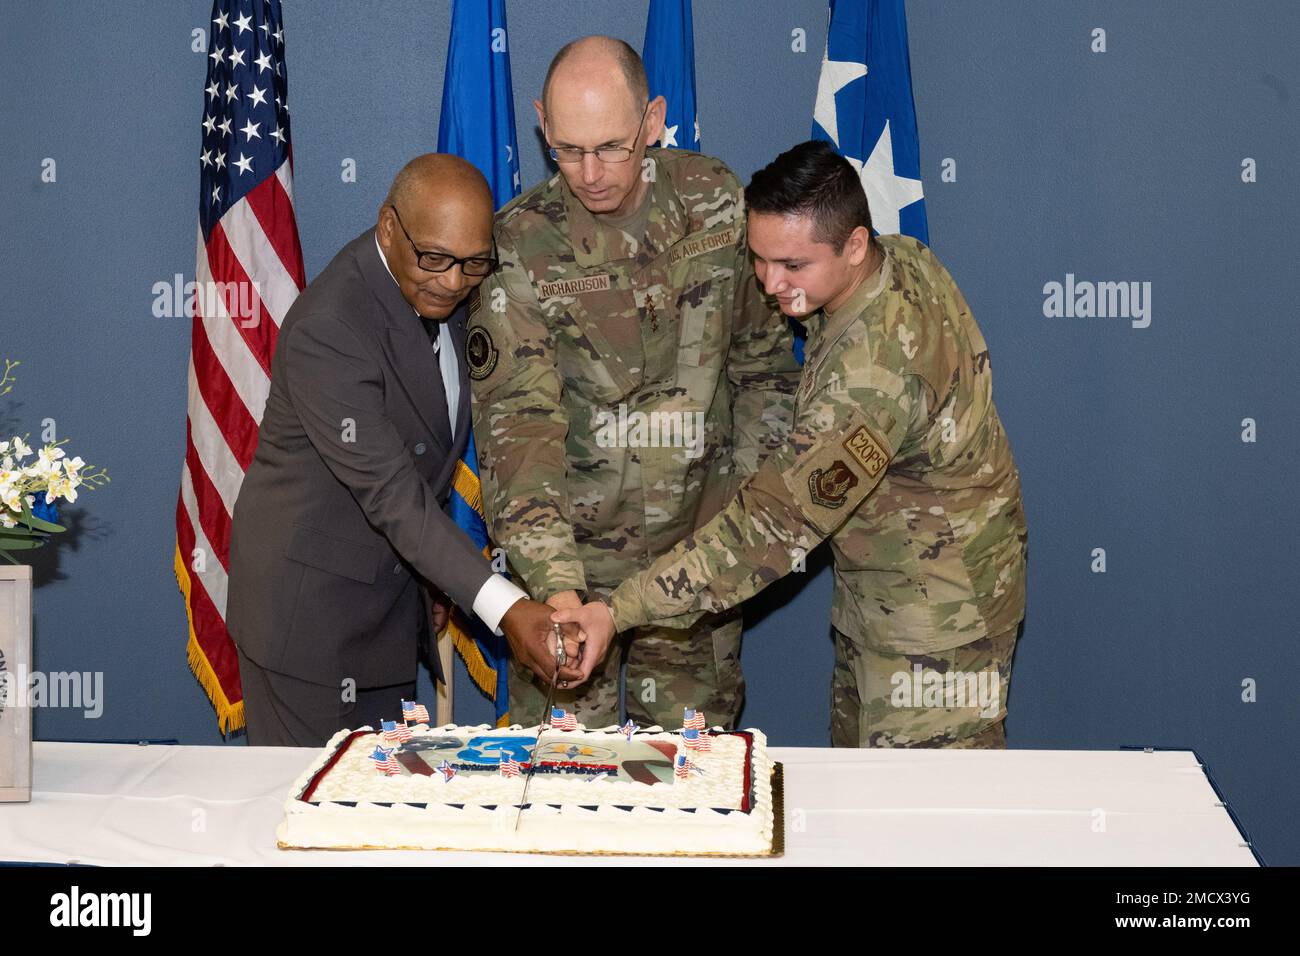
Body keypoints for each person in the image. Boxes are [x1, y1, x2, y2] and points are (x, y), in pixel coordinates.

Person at [556, 140, 1029, 748]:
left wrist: (616, 611)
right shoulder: (901, 257)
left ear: (854, 245)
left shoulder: (871, 377)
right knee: (864, 810)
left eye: (794, 266)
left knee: (922, 828)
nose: (771, 284)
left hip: (939, 634)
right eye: (759, 259)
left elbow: (768, 530)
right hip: (892, 599)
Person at [466, 36, 800, 729]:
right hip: (571, 565)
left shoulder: (717, 206)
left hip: (695, 564)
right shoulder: (520, 245)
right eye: (568, 149)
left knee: (687, 789)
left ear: (653, 121)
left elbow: (764, 370)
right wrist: (556, 590)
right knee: (557, 784)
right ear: (541, 125)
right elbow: (518, 431)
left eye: (613, 147)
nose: (590, 173)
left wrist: (730, 518)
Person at [228, 154, 580, 747]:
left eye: (473, 263)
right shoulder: (330, 326)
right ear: (388, 225)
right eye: (435, 259)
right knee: (312, 815)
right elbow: (390, 491)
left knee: (379, 808)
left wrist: (432, 582)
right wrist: (508, 610)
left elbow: (425, 456)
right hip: (305, 623)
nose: (451, 280)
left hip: (388, 614)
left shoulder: (446, 292)